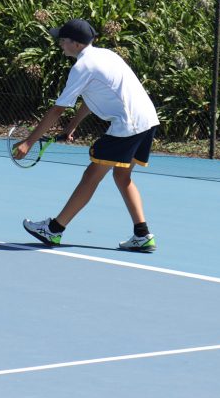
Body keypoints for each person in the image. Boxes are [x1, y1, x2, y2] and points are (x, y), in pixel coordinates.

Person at [14, 18, 160, 252]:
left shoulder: (83, 67)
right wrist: (71, 126)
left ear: (76, 43)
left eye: (63, 40)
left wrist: (29, 142)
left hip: (128, 125)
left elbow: (57, 109)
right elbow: (92, 99)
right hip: (148, 120)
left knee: (91, 175)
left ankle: (54, 229)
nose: (60, 44)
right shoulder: (106, 56)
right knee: (122, 177)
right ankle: (142, 234)